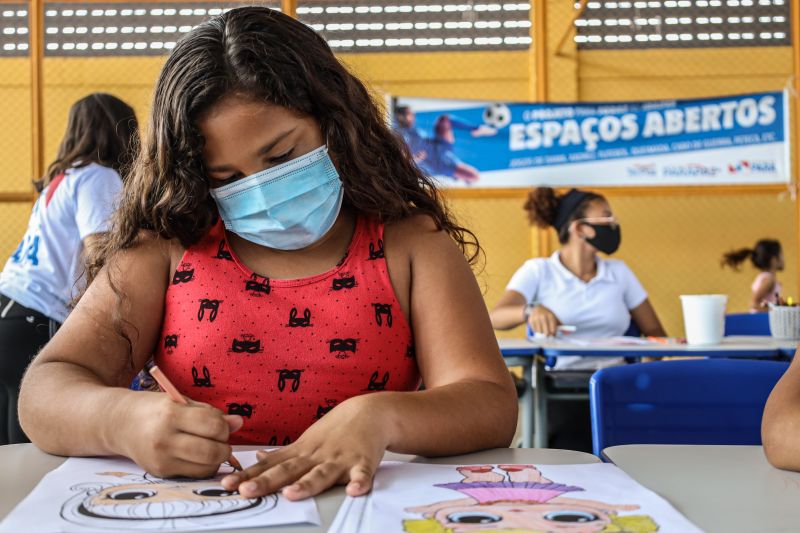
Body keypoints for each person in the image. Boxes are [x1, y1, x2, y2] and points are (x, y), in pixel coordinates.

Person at [18, 6, 517, 503]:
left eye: (282, 157)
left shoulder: (411, 244)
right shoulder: (167, 246)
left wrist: (382, 416)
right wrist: (122, 422)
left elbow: (489, 402)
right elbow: (45, 390)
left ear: (335, 123)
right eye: (226, 179)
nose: (259, 192)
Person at [0, 93, 138, 444]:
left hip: (10, 305)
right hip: (36, 313)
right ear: (119, 130)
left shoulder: (60, 179)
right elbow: (99, 251)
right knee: (35, 425)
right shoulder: (99, 177)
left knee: (9, 421)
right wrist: (110, 318)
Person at [489, 187, 665, 450]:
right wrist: (530, 311)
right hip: (558, 383)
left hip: (615, 383)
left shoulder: (619, 272)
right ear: (580, 228)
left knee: (623, 452)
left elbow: (655, 332)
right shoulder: (539, 270)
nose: (614, 224)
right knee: (568, 452)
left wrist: (643, 377)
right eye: (606, 217)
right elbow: (495, 317)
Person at [393, 105, 494, 184]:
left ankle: (475, 129)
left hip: (439, 144)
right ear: (403, 117)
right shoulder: (399, 136)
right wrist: (413, 159)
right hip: (438, 162)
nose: (414, 117)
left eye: (412, 114)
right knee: (474, 176)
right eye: (410, 114)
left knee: (444, 119)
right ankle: (460, 177)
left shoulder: (409, 129)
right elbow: (402, 165)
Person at [721, 239, 784, 312]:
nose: (783, 259)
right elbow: (754, 303)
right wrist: (776, 311)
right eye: (781, 255)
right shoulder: (768, 280)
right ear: (774, 259)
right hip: (760, 321)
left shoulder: (765, 277)